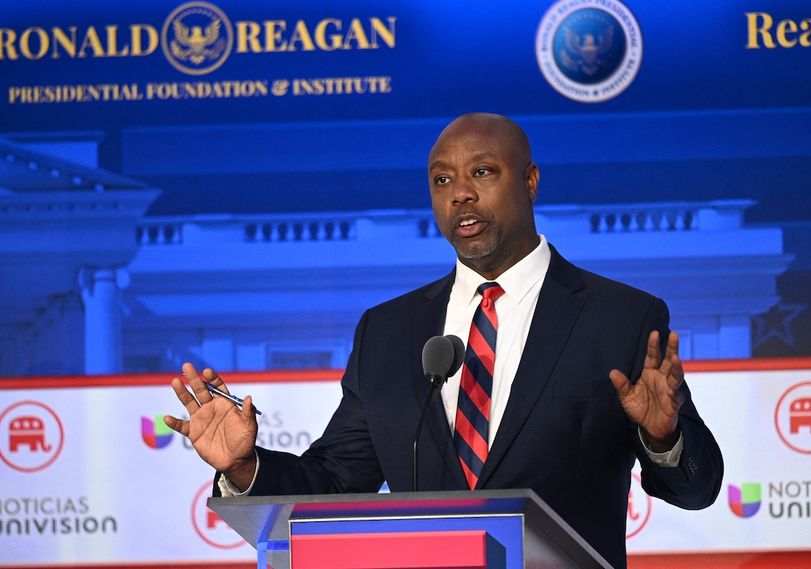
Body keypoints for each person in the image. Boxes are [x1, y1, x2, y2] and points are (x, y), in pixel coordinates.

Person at [165, 113, 723, 569]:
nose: (460, 195)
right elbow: (338, 482)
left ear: (529, 180)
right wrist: (245, 468)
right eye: (442, 180)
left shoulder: (620, 317)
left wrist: (663, 435)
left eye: (482, 172)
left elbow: (696, 490)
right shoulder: (388, 332)